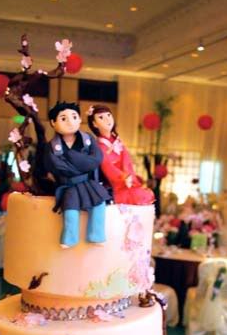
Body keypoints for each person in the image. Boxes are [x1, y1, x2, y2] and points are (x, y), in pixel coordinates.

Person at [44, 101, 110, 248]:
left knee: (99, 204)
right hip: (69, 185)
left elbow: (96, 160)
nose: (70, 122)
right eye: (63, 118)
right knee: (70, 211)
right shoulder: (52, 146)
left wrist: (73, 158)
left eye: (74, 117)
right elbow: (57, 166)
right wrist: (83, 165)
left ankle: (96, 235)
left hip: (88, 183)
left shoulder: (88, 140)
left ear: (80, 119)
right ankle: (70, 239)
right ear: (53, 123)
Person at [87, 104, 154, 206]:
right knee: (138, 196)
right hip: (116, 183)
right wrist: (123, 177)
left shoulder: (116, 140)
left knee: (146, 194)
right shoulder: (99, 146)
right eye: (101, 117)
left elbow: (126, 159)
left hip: (127, 178)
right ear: (94, 124)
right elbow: (107, 166)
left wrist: (128, 174)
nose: (107, 119)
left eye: (109, 115)